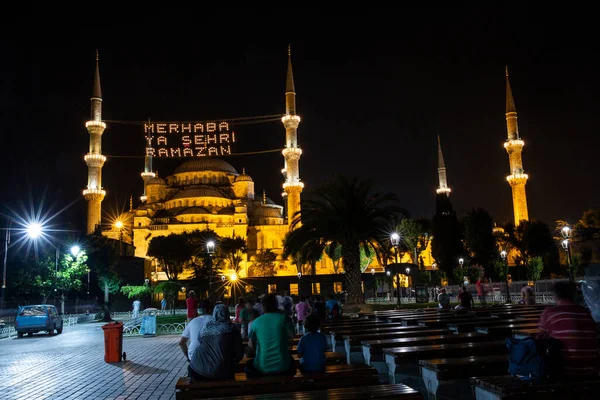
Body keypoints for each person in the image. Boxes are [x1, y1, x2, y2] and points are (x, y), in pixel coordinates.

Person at [537, 282, 600, 377]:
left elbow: (539, 340)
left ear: (556, 296)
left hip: (563, 371)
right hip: (591, 370)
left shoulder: (550, 313)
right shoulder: (586, 313)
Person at [185, 304, 244, 380]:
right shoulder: (232, 329)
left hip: (197, 368)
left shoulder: (206, 327)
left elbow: (200, 341)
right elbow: (239, 353)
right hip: (220, 372)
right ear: (227, 313)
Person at [245, 293, 296, 377]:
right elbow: (292, 335)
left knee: (248, 366)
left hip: (262, 365)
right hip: (282, 364)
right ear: (276, 304)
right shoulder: (284, 319)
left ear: (263, 306)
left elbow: (251, 344)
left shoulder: (256, 322)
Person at [179, 303, 214, 369]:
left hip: (194, 357)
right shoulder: (216, 321)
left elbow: (181, 342)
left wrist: (188, 357)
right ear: (211, 310)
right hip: (213, 358)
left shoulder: (193, 321)